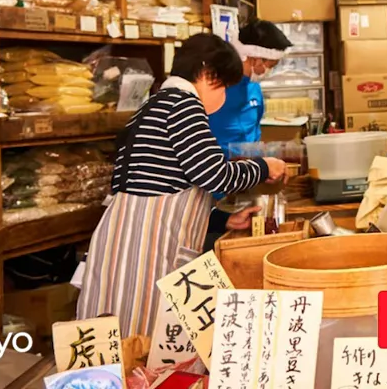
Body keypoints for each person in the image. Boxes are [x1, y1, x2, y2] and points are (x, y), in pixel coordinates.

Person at [76, 33, 287, 337]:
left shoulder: (155, 106)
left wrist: (222, 218)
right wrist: (263, 167)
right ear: (206, 73)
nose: (225, 96)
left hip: (129, 243)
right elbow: (215, 176)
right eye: (223, 87)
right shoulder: (183, 106)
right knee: (139, 342)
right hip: (145, 250)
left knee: (122, 341)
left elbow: (169, 181)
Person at [208, 20, 292, 157]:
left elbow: (255, 132)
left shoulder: (254, 89)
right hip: (219, 170)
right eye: (271, 66)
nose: (270, 71)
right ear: (256, 60)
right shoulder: (215, 88)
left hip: (250, 170)